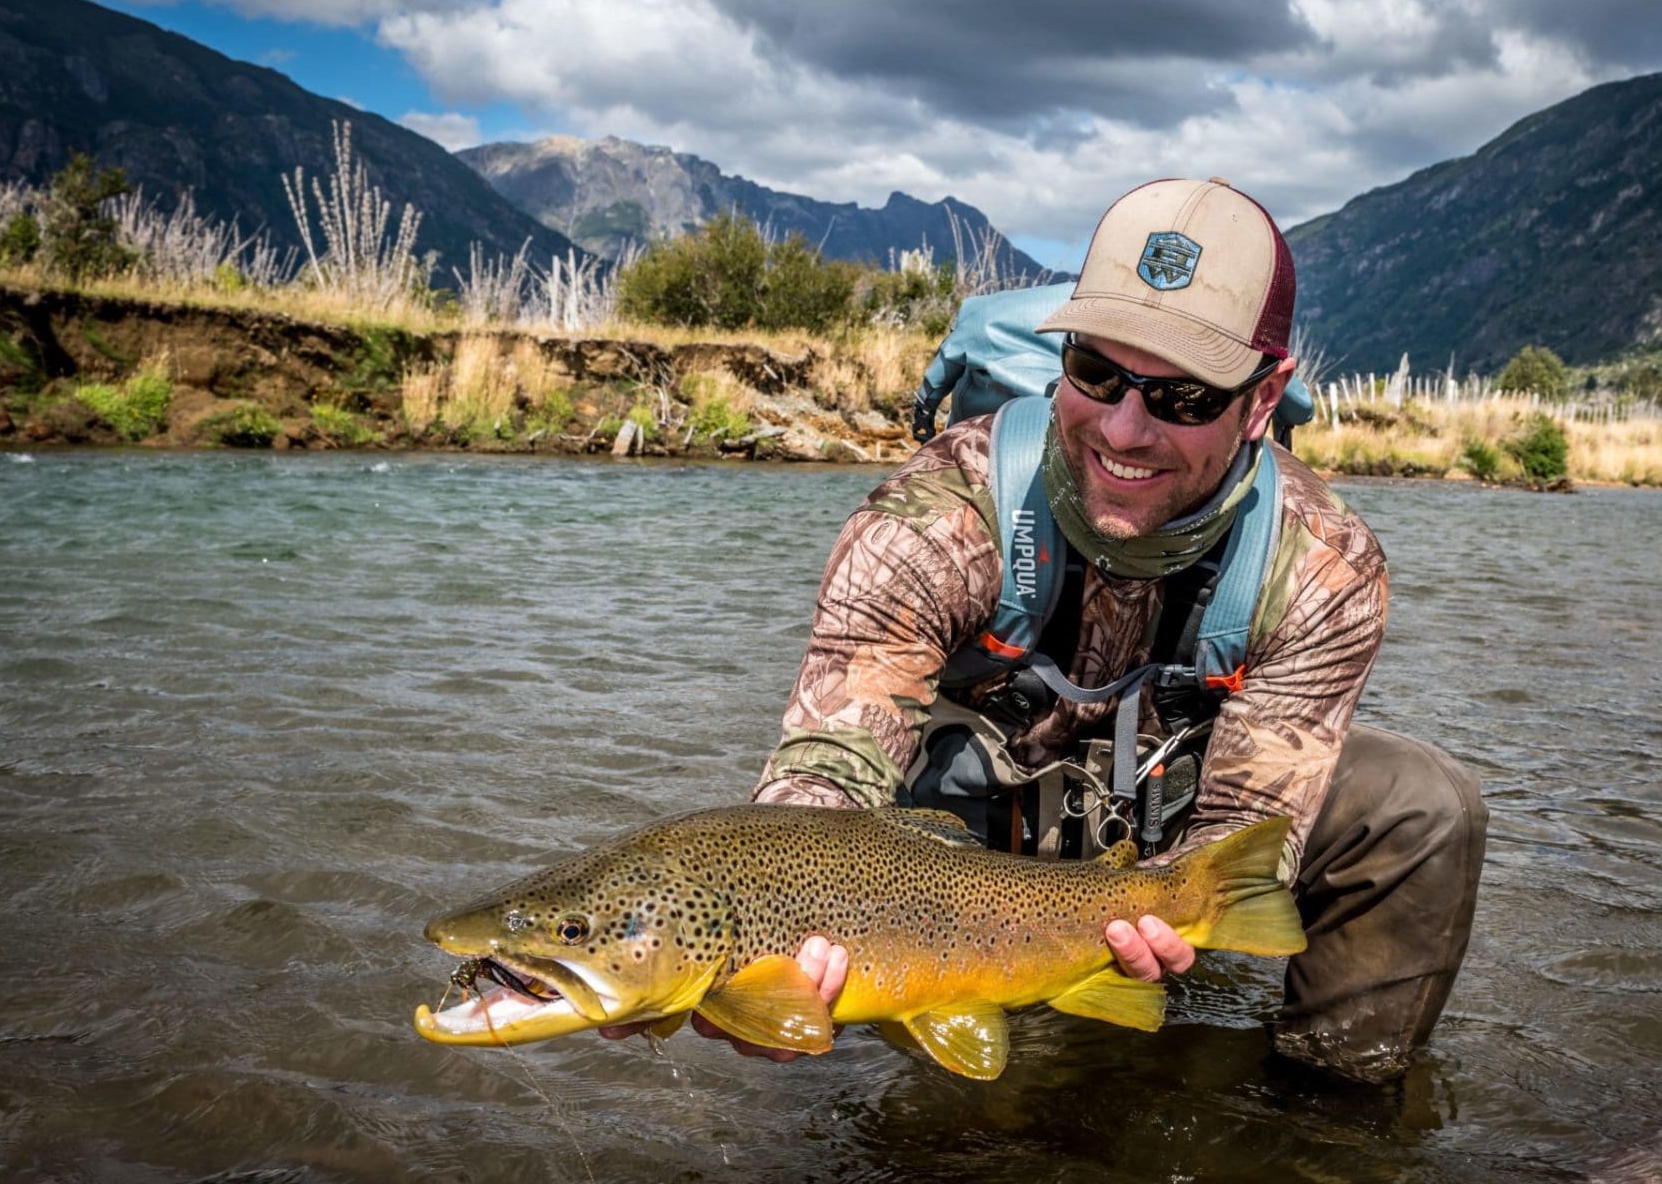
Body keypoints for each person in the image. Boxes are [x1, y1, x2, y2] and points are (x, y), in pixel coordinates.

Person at [618, 178, 1488, 1083]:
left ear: (1262, 401)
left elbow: (1250, 818)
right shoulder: (932, 515)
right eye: (1097, 372)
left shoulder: (1324, 565)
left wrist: (1169, 911)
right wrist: (753, 946)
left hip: (1159, 833)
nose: (1124, 427)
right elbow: (828, 770)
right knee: (968, 1128)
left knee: (1419, 804)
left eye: (1182, 398)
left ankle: (1330, 1129)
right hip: (943, 862)